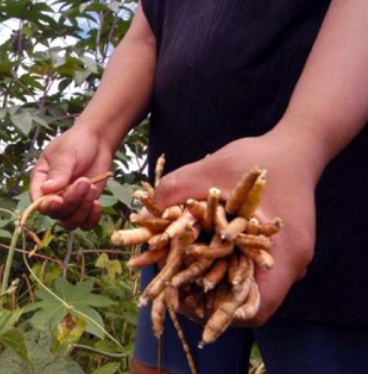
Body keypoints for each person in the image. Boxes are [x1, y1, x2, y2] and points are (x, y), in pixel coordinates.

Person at [29, 0, 368, 373]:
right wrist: (96, 129)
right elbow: (147, 36)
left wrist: (303, 141)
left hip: (337, 228)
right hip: (181, 231)